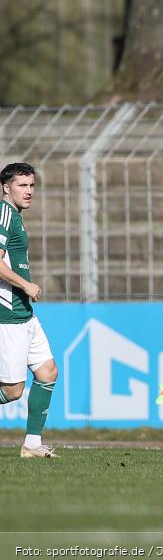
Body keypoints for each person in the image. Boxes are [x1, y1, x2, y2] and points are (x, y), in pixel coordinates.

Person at [0, 163, 59, 458]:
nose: (29, 191)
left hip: (25, 314)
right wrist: (26, 284)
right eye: (22, 186)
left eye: (32, 185)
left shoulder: (16, 216)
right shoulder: (4, 214)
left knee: (48, 372)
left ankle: (32, 445)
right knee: (12, 392)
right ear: (6, 187)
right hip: (8, 315)